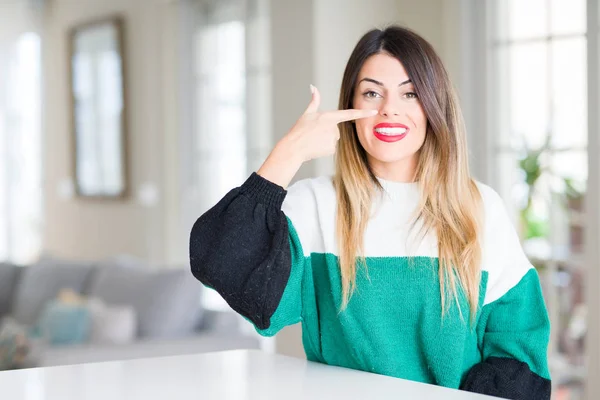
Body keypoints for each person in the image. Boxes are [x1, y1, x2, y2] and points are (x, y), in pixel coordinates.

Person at [189, 25, 551, 399]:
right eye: (372, 92)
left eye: (409, 93)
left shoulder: (479, 207)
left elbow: (519, 354)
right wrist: (290, 152)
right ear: (351, 107)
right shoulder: (315, 204)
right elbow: (217, 262)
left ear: (433, 106)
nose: (389, 109)